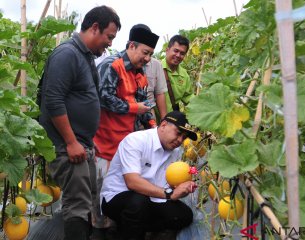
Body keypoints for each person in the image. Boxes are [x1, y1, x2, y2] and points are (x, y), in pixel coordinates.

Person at [38, 5, 121, 240]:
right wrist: (72, 142)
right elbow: (53, 101)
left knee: (86, 201)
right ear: (95, 28)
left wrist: (85, 141)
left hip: (80, 144)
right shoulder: (67, 54)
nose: (110, 44)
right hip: (67, 146)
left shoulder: (83, 56)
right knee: (77, 204)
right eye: (109, 37)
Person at [91, 24, 159, 238]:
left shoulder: (140, 74)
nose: (148, 59)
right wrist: (133, 108)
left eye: (150, 55)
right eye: (145, 53)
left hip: (126, 149)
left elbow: (144, 105)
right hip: (105, 145)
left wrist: (154, 127)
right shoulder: (112, 65)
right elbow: (103, 98)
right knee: (100, 202)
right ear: (131, 45)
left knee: (122, 199)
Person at [100, 111, 198, 240]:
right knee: (138, 203)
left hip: (150, 198)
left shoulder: (175, 152)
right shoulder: (135, 140)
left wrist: (182, 188)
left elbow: (168, 185)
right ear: (163, 125)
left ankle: (130, 231)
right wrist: (169, 193)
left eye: (184, 138)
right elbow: (132, 182)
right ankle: (127, 232)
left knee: (184, 215)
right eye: (178, 133)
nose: (180, 140)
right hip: (117, 196)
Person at [162, 35, 194, 112]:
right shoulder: (156, 68)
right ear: (167, 50)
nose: (178, 55)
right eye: (176, 51)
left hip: (172, 120)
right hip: (154, 120)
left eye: (182, 53)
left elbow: (188, 96)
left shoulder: (184, 74)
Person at [145, 57, 168, 121]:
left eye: (150, 54)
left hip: (149, 110)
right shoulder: (119, 62)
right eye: (145, 52)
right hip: (127, 111)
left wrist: (164, 120)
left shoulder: (156, 64)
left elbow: (160, 93)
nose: (147, 58)